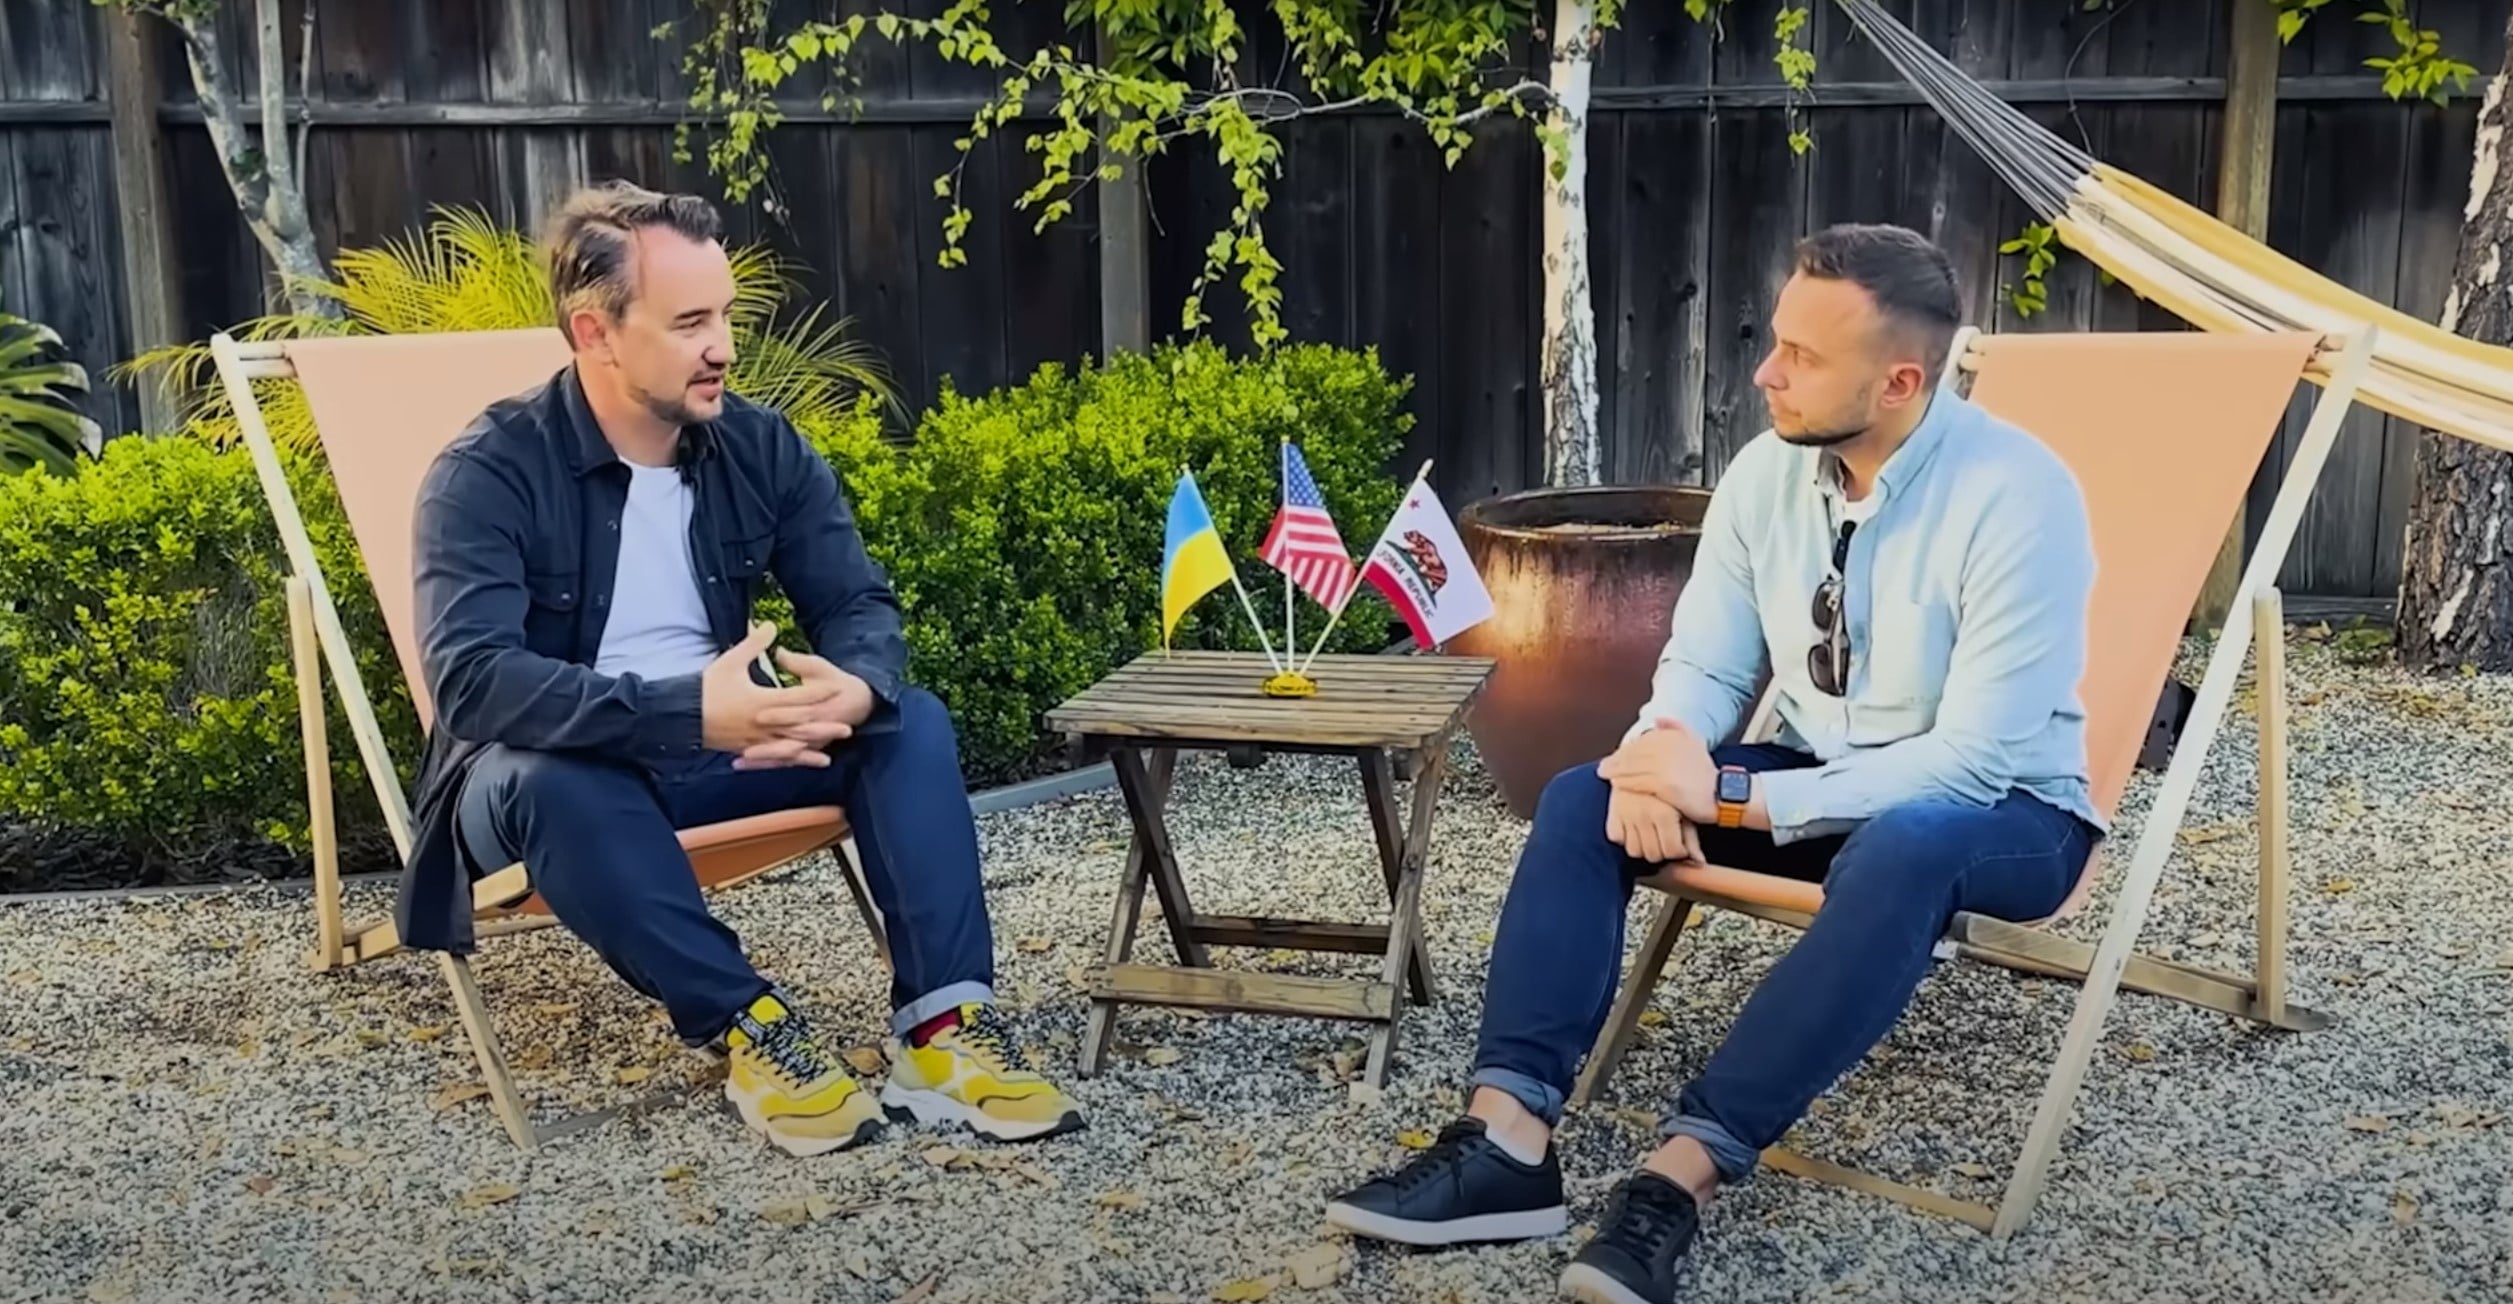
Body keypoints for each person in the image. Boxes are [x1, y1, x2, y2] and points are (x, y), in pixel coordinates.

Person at [1321, 223, 2105, 1302]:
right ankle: (1505, 1143)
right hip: (1817, 775)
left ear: (1898, 383)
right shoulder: (1766, 475)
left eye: (1802, 356)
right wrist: (1663, 750)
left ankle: (1676, 1177)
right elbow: (1704, 661)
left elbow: (1971, 761)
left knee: (1903, 849)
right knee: (1581, 799)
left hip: (2002, 814)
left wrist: (1733, 791)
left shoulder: (2018, 497)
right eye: (1775, 340)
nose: (1764, 372)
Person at [401, 180, 1084, 1158]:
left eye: (724, 315)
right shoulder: (488, 472)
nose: (723, 345)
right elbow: (473, 683)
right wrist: (685, 712)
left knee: (906, 721)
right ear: (595, 332)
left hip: (724, 748)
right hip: (552, 776)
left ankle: (942, 1030)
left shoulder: (759, 447)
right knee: (550, 777)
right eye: (689, 323)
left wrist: (855, 682)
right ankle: (752, 1025)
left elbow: (856, 603)